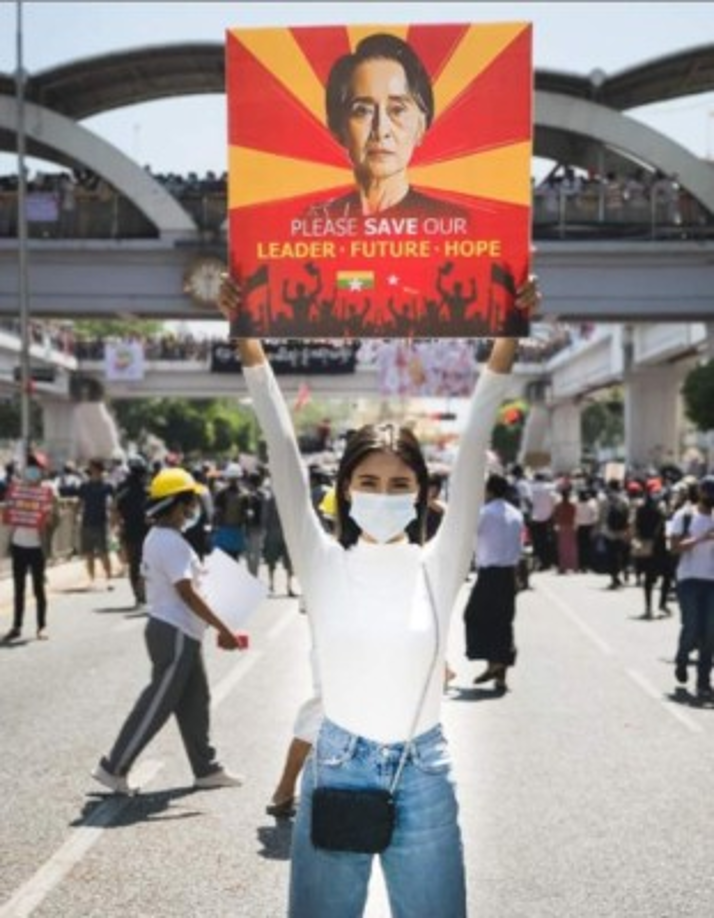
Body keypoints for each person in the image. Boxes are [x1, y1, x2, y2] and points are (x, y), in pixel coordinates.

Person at [218, 270, 538, 918]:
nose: (384, 496)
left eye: (399, 485)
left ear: (422, 493)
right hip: (336, 764)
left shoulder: (439, 561)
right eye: (368, 481)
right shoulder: (320, 560)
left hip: (424, 773)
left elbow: (474, 443)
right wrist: (250, 344)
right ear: (344, 488)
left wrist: (506, 343)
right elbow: (282, 448)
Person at [91, 467, 246, 795]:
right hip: (174, 632)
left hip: (182, 632)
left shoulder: (163, 538)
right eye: (190, 502)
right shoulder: (169, 542)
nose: (194, 509)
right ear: (176, 505)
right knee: (157, 704)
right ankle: (113, 766)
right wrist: (224, 628)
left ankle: (206, 768)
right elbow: (187, 592)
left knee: (196, 701)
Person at [313, 33, 465, 219]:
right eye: (362, 111)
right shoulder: (318, 221)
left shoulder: (449, 222)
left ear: (421, 126)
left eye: (397, 110)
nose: (381, 130)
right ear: (337, 128)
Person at [463, 473, 525, 691]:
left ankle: (494, 664)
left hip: (489, 574)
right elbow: (518, 547)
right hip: (508, 574)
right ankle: (499, 673)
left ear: (489, 490)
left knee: (474, 616)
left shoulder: (485, 513)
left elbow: (470, 539)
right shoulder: (516, 514)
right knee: (503, 621)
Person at [2, 453, 59, 642]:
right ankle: (16, 626)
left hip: (37, 548)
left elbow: (55, 520)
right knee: (19, 588)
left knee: (38, 589)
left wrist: (50, 517)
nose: (32, 471)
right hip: (19, 545)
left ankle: (41, 626)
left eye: (36, 468)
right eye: (30, 467)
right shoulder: (16, 490)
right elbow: (8, 517)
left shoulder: (48, 492)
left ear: (42, 472)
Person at [670, 475, 714, 698]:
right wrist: (701, 539)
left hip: (711, 581)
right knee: (692, 625)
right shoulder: (686, 516)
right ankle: (682, 658)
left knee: (710, 632)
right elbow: (674, 547)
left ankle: (704, 681)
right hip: (688, 579)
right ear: (703, 493)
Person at [114, 455, 150, 607]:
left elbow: (115, 509)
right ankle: (142, 595)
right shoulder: (148, 487)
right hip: (145, 531)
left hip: (132, 531)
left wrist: (117, 526)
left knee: (135, 564)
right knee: (145, 563)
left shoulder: (124, 487)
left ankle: (139, 595)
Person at [77, 458, 115, 590]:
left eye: (92, 468)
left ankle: (109, 578)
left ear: (98, 470)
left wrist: (113, 520)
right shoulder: (84, 486)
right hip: (87, 521)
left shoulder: (107, 486)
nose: (90, 471)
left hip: (101, 522)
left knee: (104, 552)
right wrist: (78, 516)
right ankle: (91, 579)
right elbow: (80, 503)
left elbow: (113, 504)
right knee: (89, 553)